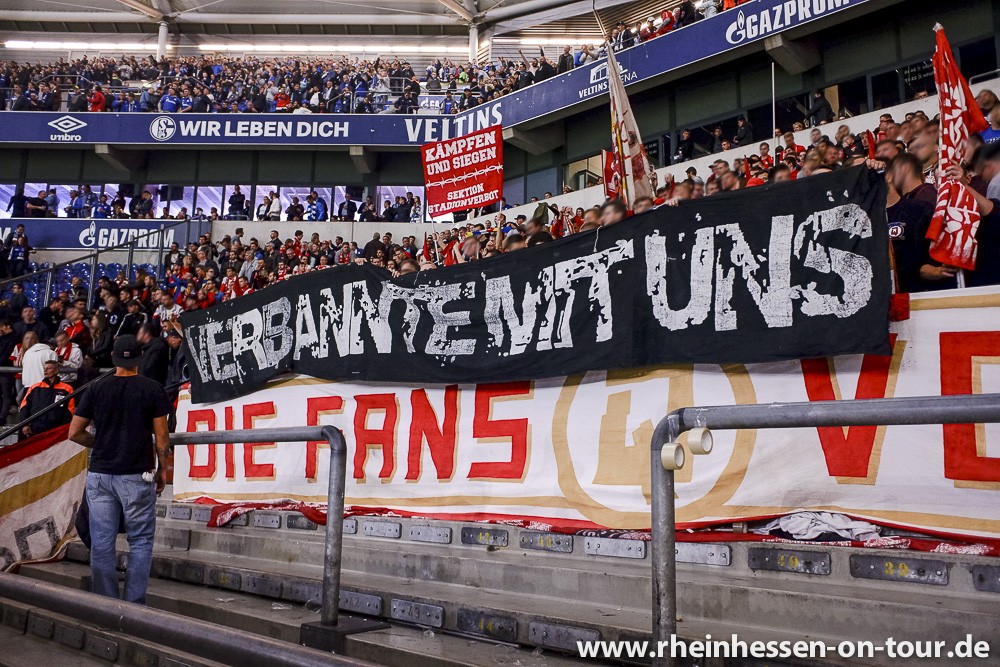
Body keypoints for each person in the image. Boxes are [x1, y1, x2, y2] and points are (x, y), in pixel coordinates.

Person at [68, 335, 172, 605]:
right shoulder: (152, 389)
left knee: (102, 543)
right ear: (139, 359)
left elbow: (74, 432)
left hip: (101, 474)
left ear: (113, 358)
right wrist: (163, 469)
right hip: (136, 474)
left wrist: (100, 442)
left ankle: (107, 606)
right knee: (140, 541)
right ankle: (133, 606)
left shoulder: (96, 388)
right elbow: (162, 438)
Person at [19, 360, 74, 438]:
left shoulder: (67, 388)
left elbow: (70, 410)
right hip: (35, 428)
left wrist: (63, 428)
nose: (45, 370)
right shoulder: (35, 387)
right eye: (44, 368)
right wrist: (25, 424)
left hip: (56, 429)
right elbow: (24, 407)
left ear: (56, 371)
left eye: (49, 368)